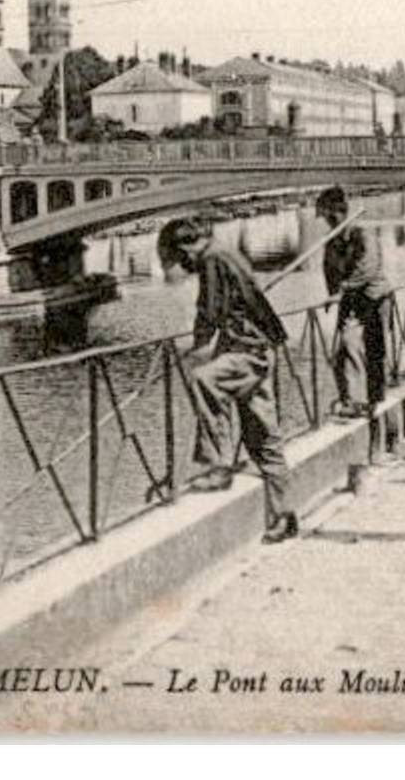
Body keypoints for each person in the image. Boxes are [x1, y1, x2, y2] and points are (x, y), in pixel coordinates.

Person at [157, 217, 298, 544]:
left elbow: (209, 311)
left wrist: (195, 351)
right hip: (258, 350)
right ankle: (285, 516)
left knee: (205, 380)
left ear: (185, 248)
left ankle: (218, 466)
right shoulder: (225, 253)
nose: (184, 266)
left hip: (247, 351)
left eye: (180, 259)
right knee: (263, 438)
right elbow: (236, 302)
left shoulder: (212, 258)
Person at [315, 186, 391, 418]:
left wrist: (341, 290)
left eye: (330, 216)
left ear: (340, 213)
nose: (328, 222)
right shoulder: (332, 243)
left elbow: (367, 269)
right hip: (351, 302)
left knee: (374, 350)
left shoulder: (363, 235)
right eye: (326, 218)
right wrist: (334, 292)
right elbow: (329, 271)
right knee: (343, 349)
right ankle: (352, 400)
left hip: (374, 298)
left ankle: (372, 401)